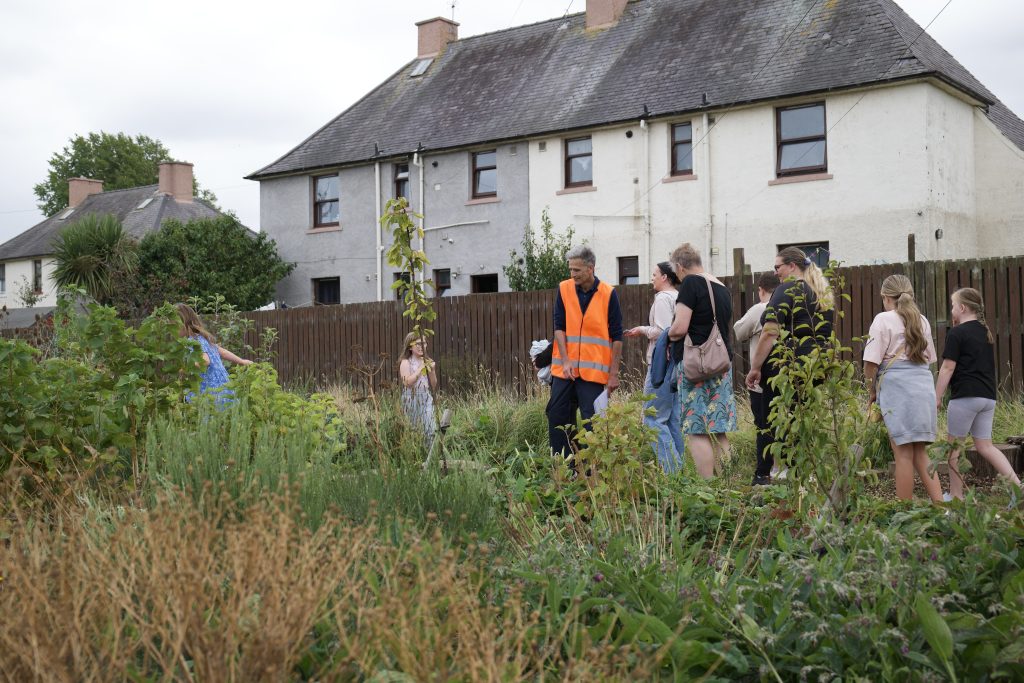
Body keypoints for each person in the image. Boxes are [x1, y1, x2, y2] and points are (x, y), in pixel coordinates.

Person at [745, 247, 834, 486]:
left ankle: (763, 476)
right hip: (815, 366)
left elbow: (770, 332)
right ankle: (802, 474)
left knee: (768, 419)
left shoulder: (787, 289)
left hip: (787, 365)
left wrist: (755, 367)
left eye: (778, 267)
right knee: (802, 419)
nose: (776, 273)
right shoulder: (822, 293)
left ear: (792, 266)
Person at [935, 287, 1021, 500]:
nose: (951, 310)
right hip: (987, 398)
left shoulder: (956, 333)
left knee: (954, 449)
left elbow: (947, 368)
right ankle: (1018, 488)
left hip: (965, 398)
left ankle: (956, 497)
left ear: (962, 308)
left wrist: (937, 396)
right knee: (986, 446)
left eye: (953, 306)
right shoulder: (984, 332)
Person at [862, 274, 942, 502]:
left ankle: (903, 511)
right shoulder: (922, 320)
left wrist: (871, 391)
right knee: (920, 453)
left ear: (886, 298)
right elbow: (929, 358)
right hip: (923, 386)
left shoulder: (882, 319)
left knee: (902, 454)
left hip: (897, 388)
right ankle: (941, 507)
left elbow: (870, 364)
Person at [667, 243, 735, 479]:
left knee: (697, 429)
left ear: (680, 267)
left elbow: (680, 327)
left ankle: (707, 487)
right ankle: (727, 484)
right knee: (719, 429)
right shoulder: (721, 287)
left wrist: (667, 334)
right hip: (721, 364)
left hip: (696, 366)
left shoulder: (691, 283)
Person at [548, 245, 623, 459]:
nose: (572, 274)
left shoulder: (608, 293)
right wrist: (566, 361)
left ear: (591, 268)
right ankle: (564, 467)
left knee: (593, 423)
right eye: (570, 269)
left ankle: (593, 470)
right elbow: (559, 327)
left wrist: (613, 374)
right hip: (565, 370)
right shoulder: (564, 289)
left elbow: (617, 336)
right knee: (557, 416)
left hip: (593, 374)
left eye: (577, 270)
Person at [625, 262, 684, 473]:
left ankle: (672, 471)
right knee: (672, 420)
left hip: (661, 365)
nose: (652, 278)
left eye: (655, 274)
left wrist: (642, 329)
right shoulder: (680, 297)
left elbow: (663, 332)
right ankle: (681, 472)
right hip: (677, 364)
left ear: (665, 277)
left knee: (653, 418)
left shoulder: (662, 299)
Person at [733, 272, 781, 481]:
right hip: (785, 376)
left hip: (762, 375)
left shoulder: (760, 308)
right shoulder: (788, 306)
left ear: (761, 290)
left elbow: (739, 331)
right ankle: (782, 469)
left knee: (764, 425)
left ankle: (763, 473)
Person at [177, 303, 252, 406]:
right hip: (223, 388)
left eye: (174, 326)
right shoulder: (202, 338)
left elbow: (205, 361)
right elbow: (223, 352)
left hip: (210, 393)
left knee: (210, 414)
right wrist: (241, 361)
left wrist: (185, 368)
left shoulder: (192, 341)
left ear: (183, 324)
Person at [399, 331, 438, 450]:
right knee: (413, 429)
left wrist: (432, 371)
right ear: (410, 346)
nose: (422, 346)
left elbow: (433, 385)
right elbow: (407, 382)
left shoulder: (427, 361)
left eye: (424, 343)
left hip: (426, 397)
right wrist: (420, 368)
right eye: (418, 344)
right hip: (410, 398)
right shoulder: (406, 362)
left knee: (430, 428)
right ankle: (415, 453)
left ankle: (430, 455)